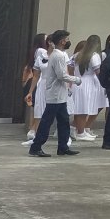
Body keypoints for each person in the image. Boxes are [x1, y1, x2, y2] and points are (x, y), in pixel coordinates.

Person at [29, 30, 82, 158]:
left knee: (64, 121)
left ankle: (63, 147)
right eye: (66, 39)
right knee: (47, 122)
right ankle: (36, 147)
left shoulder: (59, 54)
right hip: (55, 95)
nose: (68, 41)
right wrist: (76, 80)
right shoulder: (58, 56)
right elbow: (61, 75)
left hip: (60, 95)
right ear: (62, 41)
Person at [69, 35, 103, 142]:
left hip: (77, 82)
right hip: (88, 83)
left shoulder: (76, 55)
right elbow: (98, 72)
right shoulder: (94, 56)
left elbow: (69, 68)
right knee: (84, 109)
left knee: (79, 108)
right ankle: (81, 132)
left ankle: (77, 130)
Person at [23, 33, 51, 145]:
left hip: (35, 79)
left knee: (35, 106)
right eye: (46, 38)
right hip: (38, 80)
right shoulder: (41, 51)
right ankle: (33, 129)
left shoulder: (35, 51)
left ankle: (32, 129)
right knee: (37, 106)